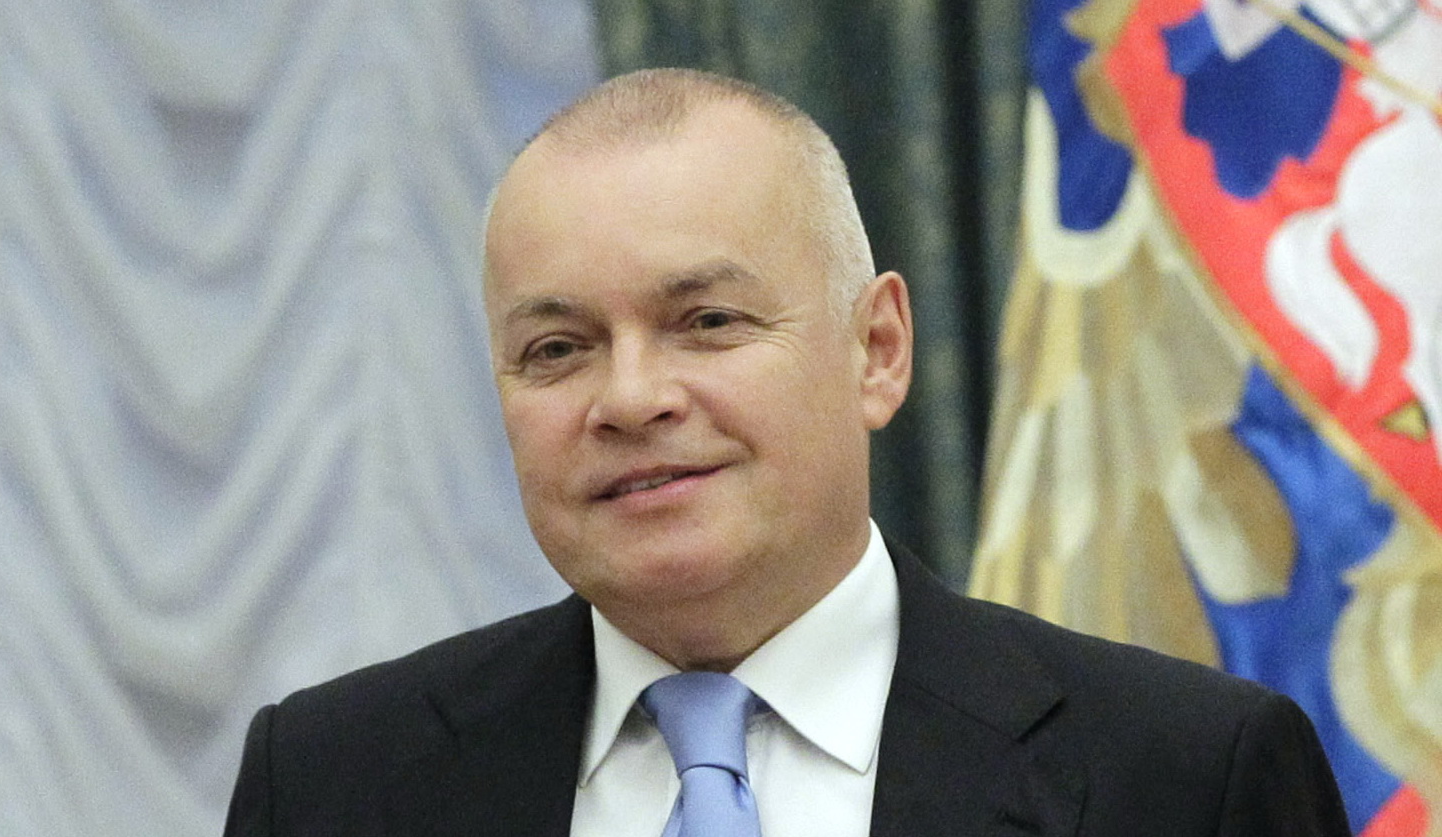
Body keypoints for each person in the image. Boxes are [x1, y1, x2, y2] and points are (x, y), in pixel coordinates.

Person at [223, 67, 1352, 837]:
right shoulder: (332, 783)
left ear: (878, 351)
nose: (631, 398)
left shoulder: (1184, 779)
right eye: (558, 348)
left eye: (707, 321)